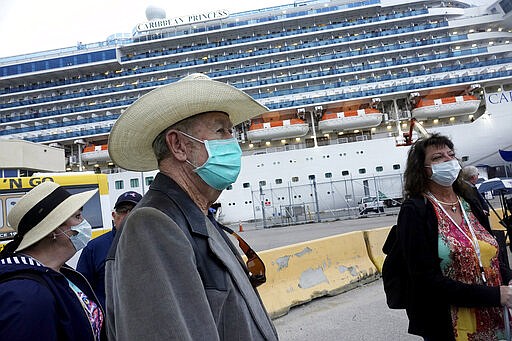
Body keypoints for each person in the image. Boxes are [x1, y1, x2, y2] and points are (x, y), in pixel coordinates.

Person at [105, 73, 278, 340]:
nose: (234, 143)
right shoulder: (152, 225)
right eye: (221, 131)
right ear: (179, 146)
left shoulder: (196, 216)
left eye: (231, 131)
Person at [397, 133, 512, 340]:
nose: (448, 160)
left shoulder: (469, 202)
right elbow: (425, 281)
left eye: (451, 154)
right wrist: (494, 295)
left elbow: (491, 255)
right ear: (422, 169)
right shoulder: (415, 211)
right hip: (451, 322)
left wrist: (509, 280)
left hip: (496, 315)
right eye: (437, 157)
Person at [0, 181, 105, 340]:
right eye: (77, 216)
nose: (84, 223)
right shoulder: (25, 296)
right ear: (54, 230)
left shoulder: (59, 273)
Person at [77, 191, 142, 308]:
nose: (128, 215)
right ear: (113, 215)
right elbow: (81, 290)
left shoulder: (152, 244)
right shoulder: (94, 248)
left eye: (135, 210)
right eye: (123, 211)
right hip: (109, 322)